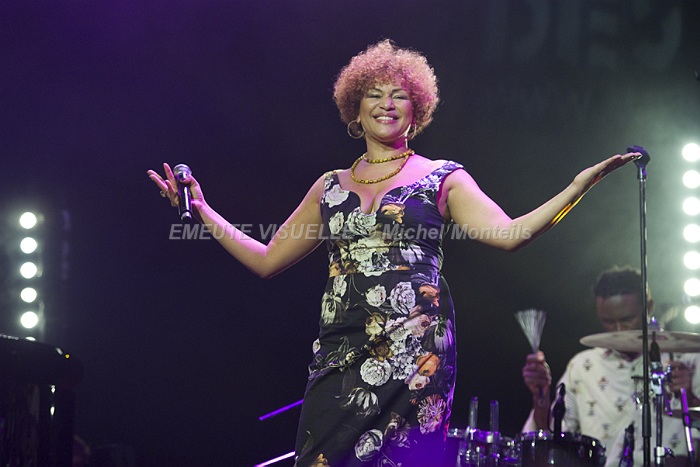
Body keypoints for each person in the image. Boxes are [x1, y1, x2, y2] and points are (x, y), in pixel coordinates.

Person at [148, 39, 640, 467]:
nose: (386, 104)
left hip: (414, 359)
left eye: (399, 95)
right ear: (354, 108)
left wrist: (577, 186)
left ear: (416, 108)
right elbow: (266, 258)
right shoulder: (329, 186)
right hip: (340, 355)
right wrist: (203, 210)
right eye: (374, 94)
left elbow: (510, 234)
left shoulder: (443, 177)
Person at [522, 266, 700, 466]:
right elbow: (553, 439)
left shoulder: (686, 358)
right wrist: (541, 397)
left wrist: (690, 398)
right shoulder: (582, 366)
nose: (619, 329)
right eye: (608, 321)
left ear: (648, 306)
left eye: (627, 319)